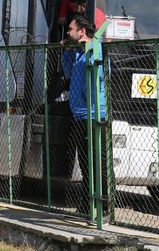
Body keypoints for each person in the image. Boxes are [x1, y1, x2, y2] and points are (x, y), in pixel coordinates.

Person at [63, 15, 109, 217]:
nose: (67, 32)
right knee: (85, 163)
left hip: (94, 115)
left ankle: (104, 206)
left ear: (81, 31)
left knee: (98, 163)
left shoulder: (96, 48)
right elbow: (69, 73)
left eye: (71, 29)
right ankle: (86, 204)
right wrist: (67, 52)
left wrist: (87, 50)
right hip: (81, 115)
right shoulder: (79, 53)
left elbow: (98, 73)